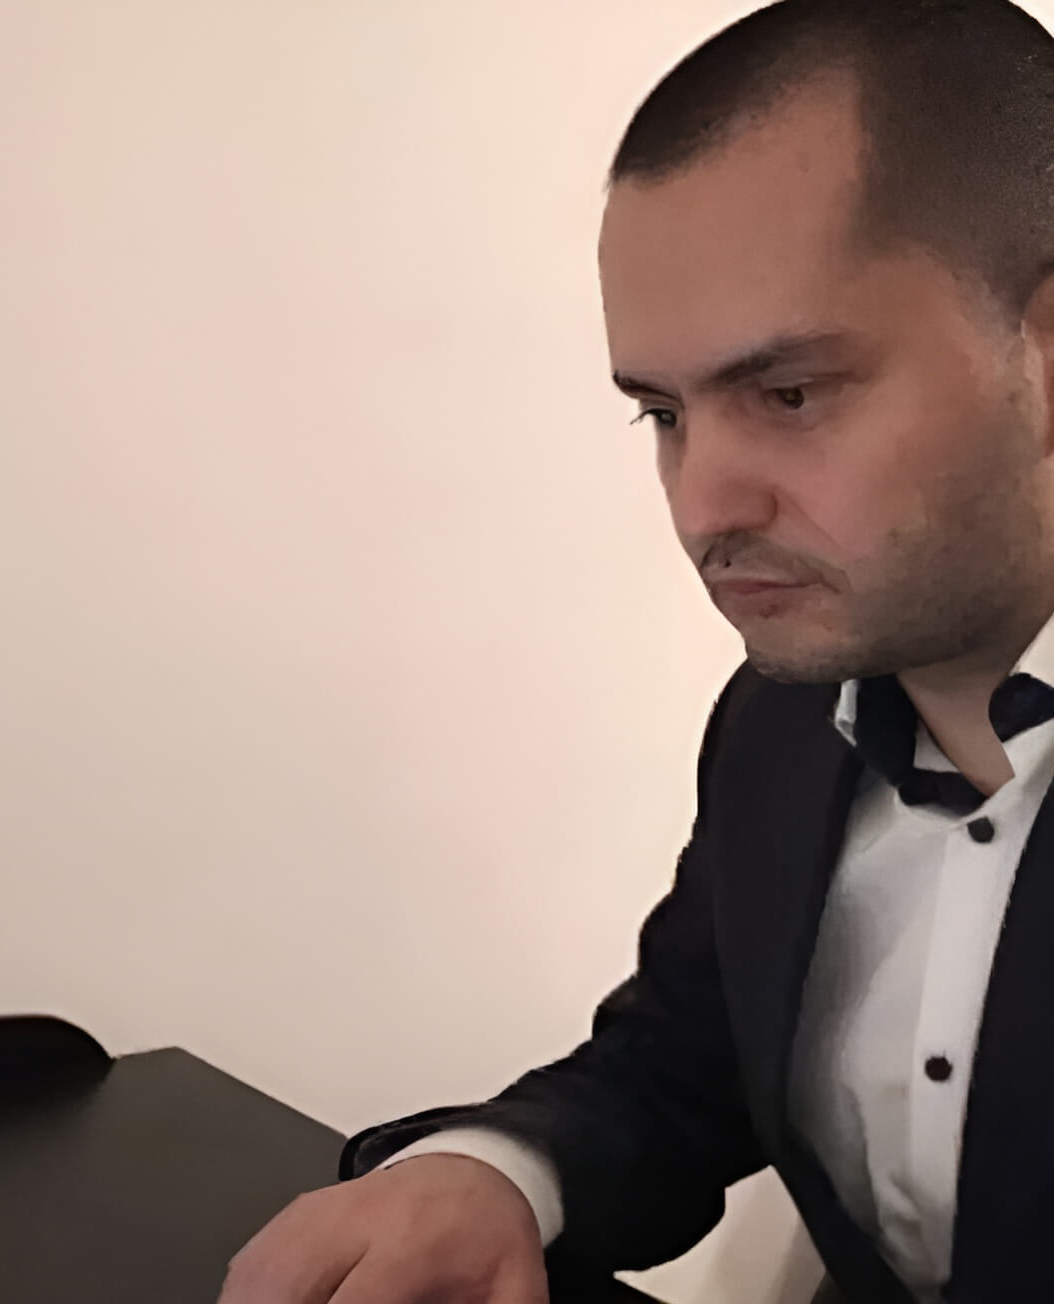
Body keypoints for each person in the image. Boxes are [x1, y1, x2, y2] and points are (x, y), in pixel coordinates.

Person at [216, 1, 1054, 1301]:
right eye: (662, 413)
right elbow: (685, 1060)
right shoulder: (780, 726)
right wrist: (499, 1172)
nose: (702, 504)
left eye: (789, 394)